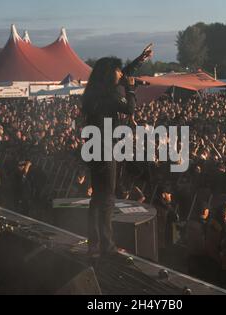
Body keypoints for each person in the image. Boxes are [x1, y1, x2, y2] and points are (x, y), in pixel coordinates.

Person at [81, 44, 153, 258]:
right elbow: (129, 108)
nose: (121, 74)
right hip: (104, 148)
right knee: (107, 198)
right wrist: (130, 89)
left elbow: (123, 75)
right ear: (108, 72)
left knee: (97, 198)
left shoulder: (95, 91)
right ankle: (107, 246)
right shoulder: (110, 95)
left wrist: (140, 59)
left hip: (93, 146)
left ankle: (94, 244)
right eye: (117, 70)